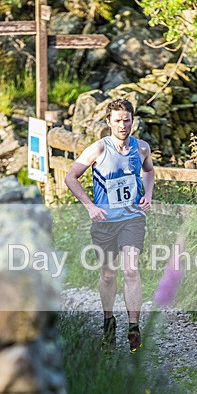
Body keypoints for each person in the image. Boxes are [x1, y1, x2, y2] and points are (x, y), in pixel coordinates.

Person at [65, 99, 155, 352]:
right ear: (109, 122)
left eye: (126, 120)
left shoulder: (142, 148)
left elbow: (149, 171)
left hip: (132, 218)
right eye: (117, 121)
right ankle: (108, 322)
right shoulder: (98, 149)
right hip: (104, 222)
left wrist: (148, 194)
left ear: (133, 120)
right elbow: (71, 177)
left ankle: (134, 328)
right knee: (108, 274)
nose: (122, 125)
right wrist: (90, 206)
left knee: (131, 270)